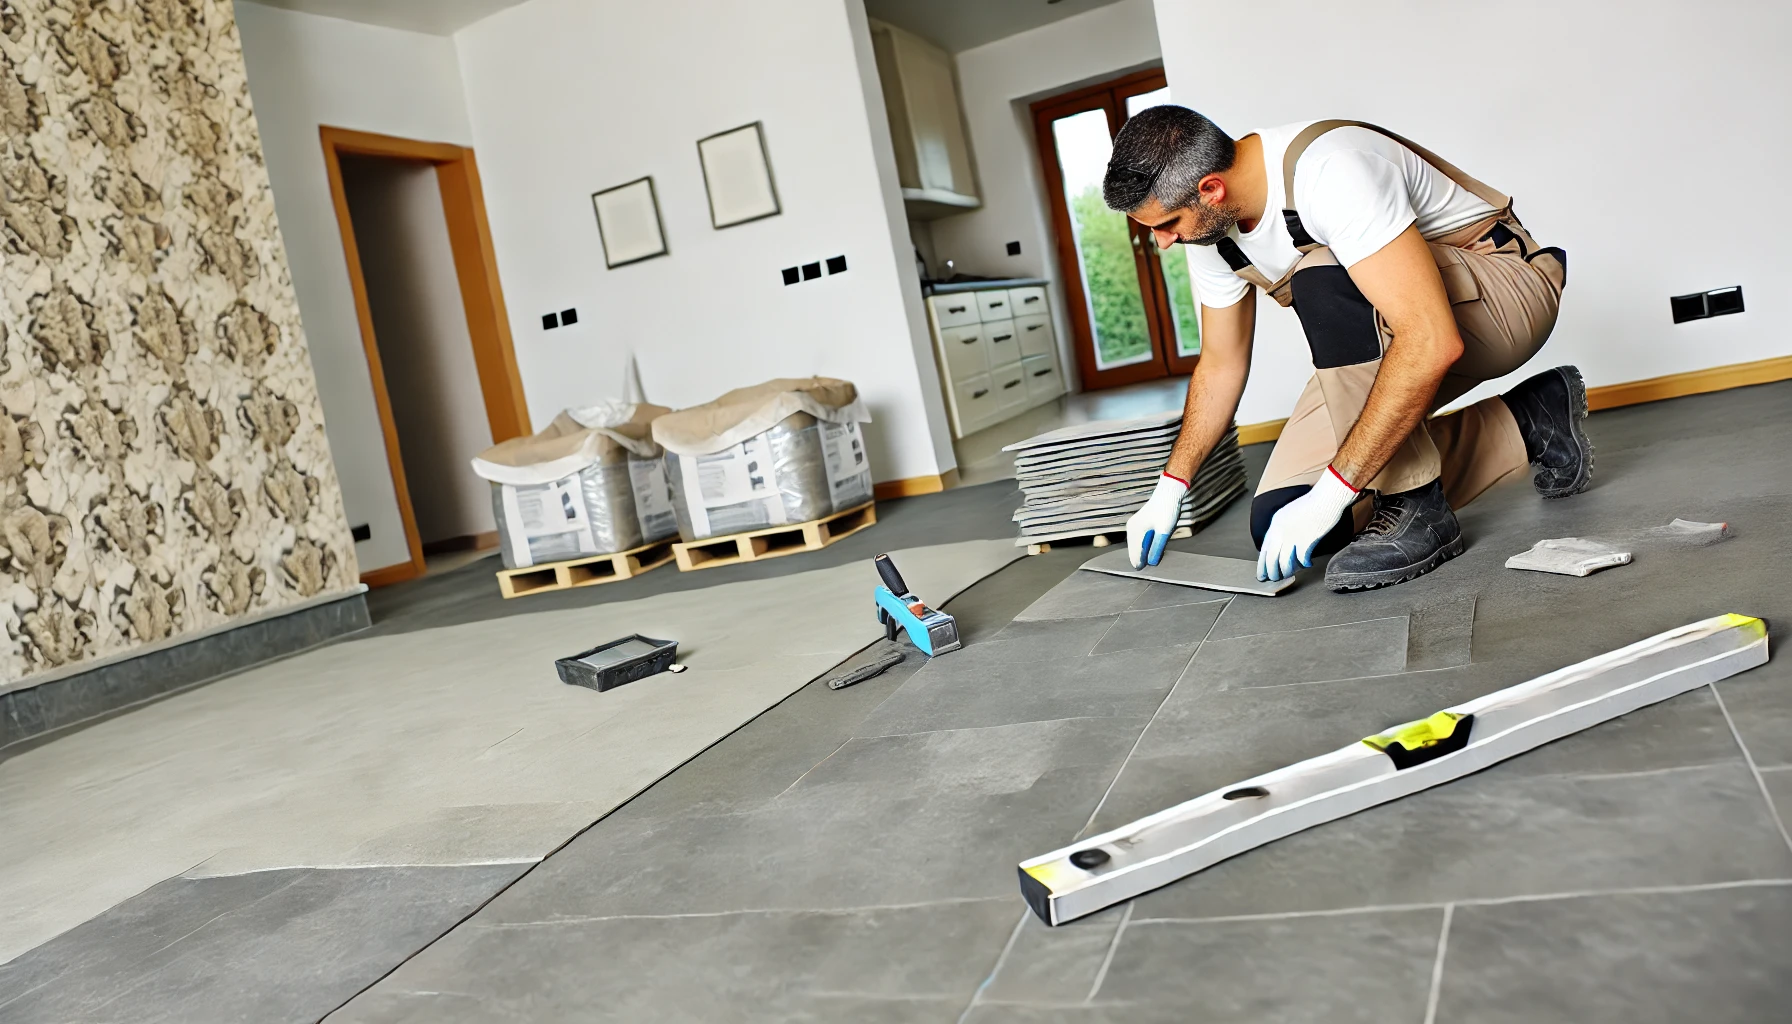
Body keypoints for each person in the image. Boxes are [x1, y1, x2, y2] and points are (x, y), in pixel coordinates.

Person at [1107, 108, 1591, 591]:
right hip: (1399, 332)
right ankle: (1530, 421)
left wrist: (1332, 492)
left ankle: (1417, 506)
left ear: (1211, 189)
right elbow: (1221, 363)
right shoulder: (1211, 230)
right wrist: (1172, 485)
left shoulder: (1330, 170)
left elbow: (1430, 339)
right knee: (1279, 516)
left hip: (1504, 294)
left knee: (1321, 272)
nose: (1164, 241)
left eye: (1167, 223)